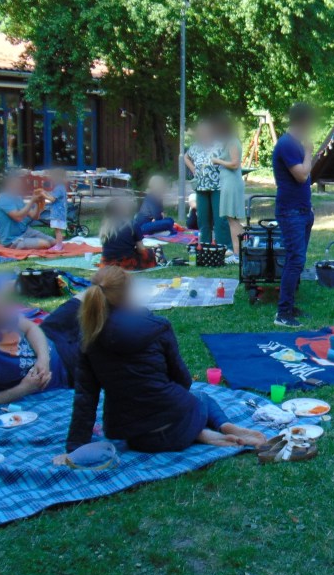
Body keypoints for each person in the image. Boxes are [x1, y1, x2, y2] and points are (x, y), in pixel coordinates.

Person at [64, 267, 267, 454]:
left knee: (166, 413)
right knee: (201, 397)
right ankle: (220, 426)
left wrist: (75, 446)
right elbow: (183, 380)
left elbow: (85, 397)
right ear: (128, 292)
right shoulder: (156, 326)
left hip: (137, 437)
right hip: (175, 420)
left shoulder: (88, 337)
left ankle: (200, 433)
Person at [0, 281, 81, 414]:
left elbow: (30, 328)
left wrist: (43, 358)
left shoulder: (0, 319)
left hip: (47, 337)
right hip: (65, 366)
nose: (5, 306)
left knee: (89, 296)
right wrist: (24, 389)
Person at [272, 102, 316, 328]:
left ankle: (289, 305)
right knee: (295, 260)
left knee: (297, 260)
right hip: (291, 212)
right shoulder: (287, 144)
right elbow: (301, 175)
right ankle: (282, 313)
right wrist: (309, 153)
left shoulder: (295, 144)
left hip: (302, 210)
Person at [211, 113, 245, 264]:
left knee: (233, 219)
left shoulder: (233, 141)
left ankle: (238, 254)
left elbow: (235, 164)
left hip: (232, 183)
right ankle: (242, 251)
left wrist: (217, 161)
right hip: (227, 182)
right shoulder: (228, 141)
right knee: (232, 219)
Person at [185, 120, 222, 248]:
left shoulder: (219, 145)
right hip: (200, 187)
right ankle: (205, 245)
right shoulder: (195, 146)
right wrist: (193, 169)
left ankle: (221, 246)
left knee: (219, 218)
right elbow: (186, 157)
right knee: (203, 218)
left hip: (217, 186)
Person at [0, 173, 54, 251]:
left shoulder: (18, 198)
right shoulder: (3, 198)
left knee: (54, 242)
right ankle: (14, 247)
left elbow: (34, 216)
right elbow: (18, 217)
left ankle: (27, 244)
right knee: (45, 244)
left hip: (26, 232)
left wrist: (38, 203)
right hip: (12, 239)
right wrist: (32, 200)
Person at [99, 196, 162, 270]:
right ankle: (157, 258)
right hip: (127, 263)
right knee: (152, 251)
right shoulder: (132, 224)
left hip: (107, 264)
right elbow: (141, 249)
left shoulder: (105, 227)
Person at [44, 169, 70, 248]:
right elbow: (52, 196)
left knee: (58, 230)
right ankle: (59, 244)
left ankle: (59, 246)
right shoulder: (60, 187)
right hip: (59, 212)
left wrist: (43, 195)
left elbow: (52, 199)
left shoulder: (59, 188)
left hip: (58, 213)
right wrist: (46, 193)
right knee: (58, 230)